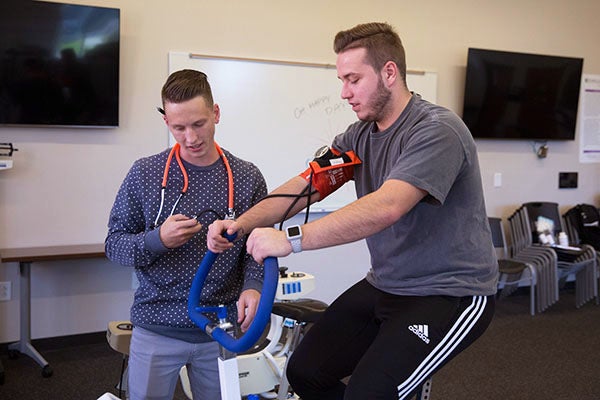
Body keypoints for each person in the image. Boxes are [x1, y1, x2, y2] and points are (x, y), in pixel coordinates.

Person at [207, 22, 498, 400]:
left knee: (369, 392)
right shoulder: (358, 135)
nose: (344, 93)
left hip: (451, 293)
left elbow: (388, 206)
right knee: (305, 372)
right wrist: (240, 225)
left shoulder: (437, 130)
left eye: (353, 79)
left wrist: (290, 240)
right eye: (342, 80)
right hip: (387, 284)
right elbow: (307, 186)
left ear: (389, 73)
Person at [105, 69, 267, 400]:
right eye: (179, 127)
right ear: (166, 121)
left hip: (218, 328)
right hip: (156, 324)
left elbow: (259, 247)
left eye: (198, 124)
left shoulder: (247, 177)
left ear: (216, 113)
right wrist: (157, 240)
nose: (190, 137)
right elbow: (114, 245)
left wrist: (254, 285)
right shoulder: (145, 173)